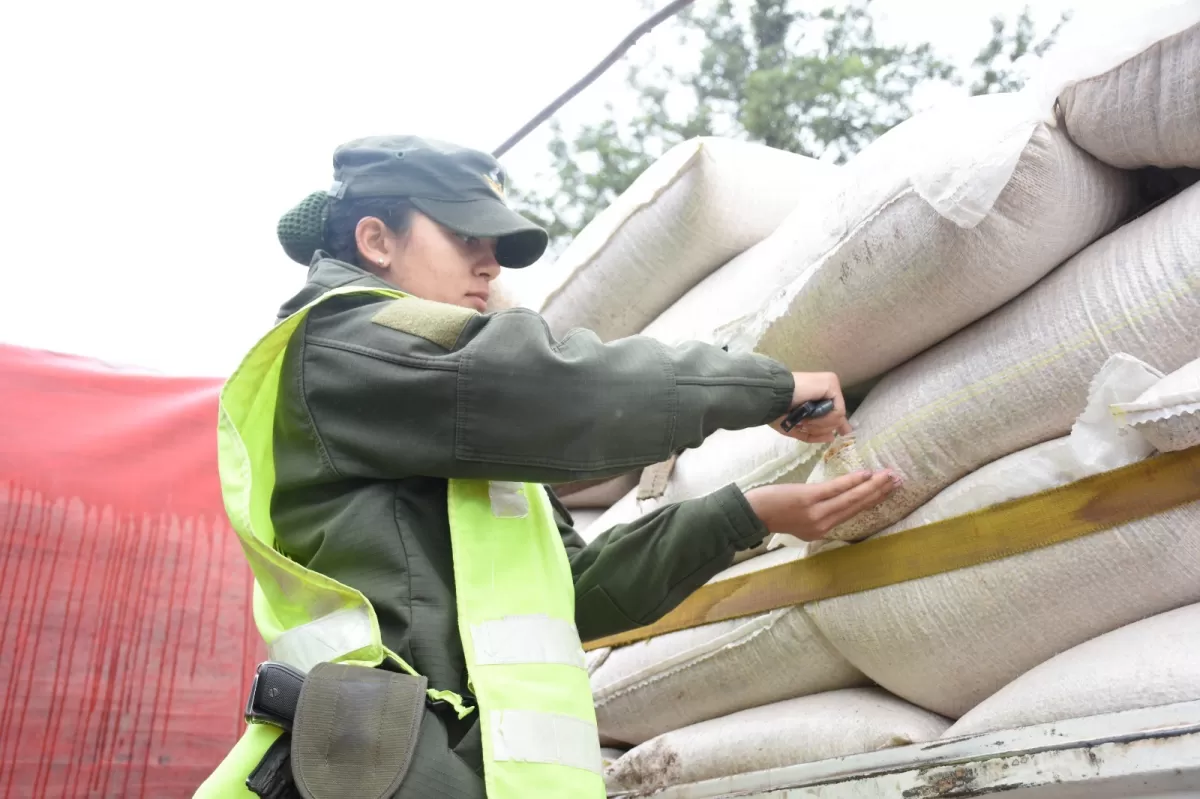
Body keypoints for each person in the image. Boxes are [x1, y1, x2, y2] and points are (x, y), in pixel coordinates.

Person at [195, 135, 898, 799]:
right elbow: (547, 384)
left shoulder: (451, 424)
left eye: (495, 247)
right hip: (390, 764)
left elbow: (576, 591)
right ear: (376, 240)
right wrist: (762, 387)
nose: (490, 265)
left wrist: (746, 514)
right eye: (465, 237)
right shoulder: (345, 344)